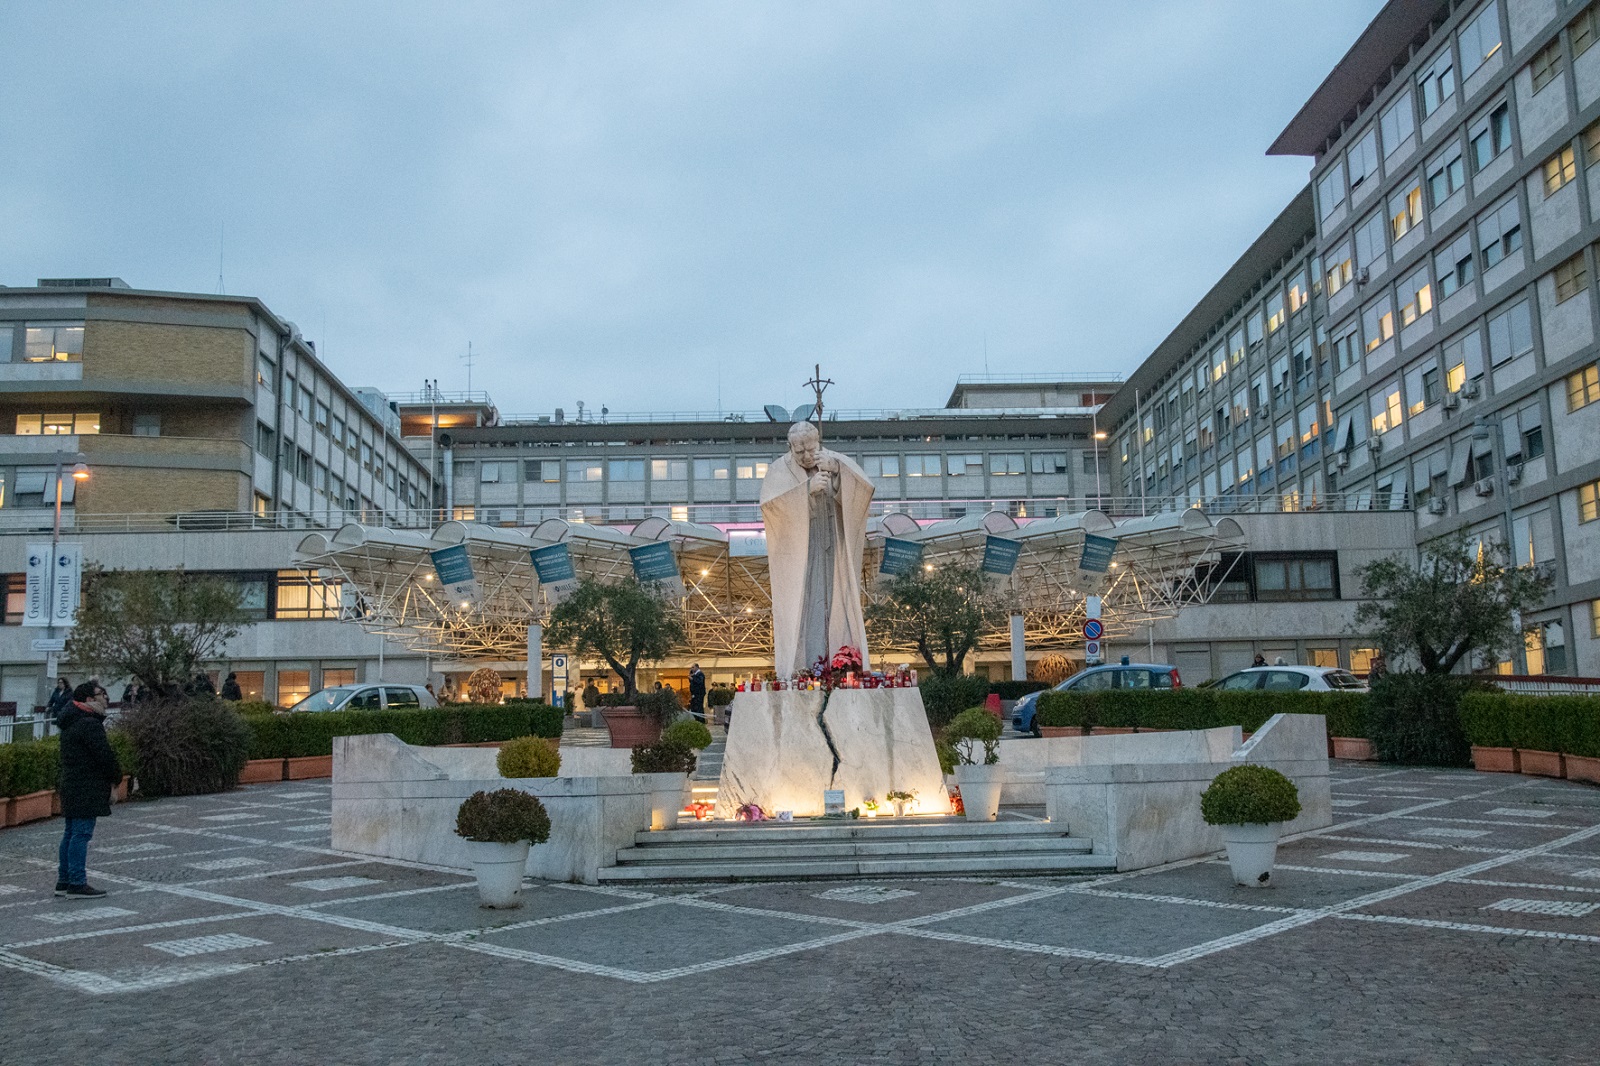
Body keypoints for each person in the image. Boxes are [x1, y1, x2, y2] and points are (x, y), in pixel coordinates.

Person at [55, 681, 121, 899]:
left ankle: (64, 881)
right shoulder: (89, 723)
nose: (106, 698)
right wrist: (116, 777)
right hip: (86, 785)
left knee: (71, 833)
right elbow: (104, 756)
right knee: (81, 834)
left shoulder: (71, 720)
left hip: (72, 783)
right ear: (89, 700)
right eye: (101, 694)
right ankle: (77, 882)